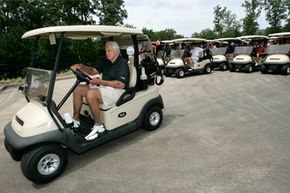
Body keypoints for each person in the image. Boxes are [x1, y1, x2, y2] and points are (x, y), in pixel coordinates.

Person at [71, 41, 129, 140]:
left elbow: (120, 84)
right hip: (105, 88)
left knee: (91, 94)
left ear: (116, 51)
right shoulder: (106, 62)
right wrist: (81, 67)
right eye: (106, 51)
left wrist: (99, 81)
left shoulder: (122, 63)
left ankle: (98, 126)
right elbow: (93, 71)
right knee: (77, 89)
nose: (106, 53)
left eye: (109, 51)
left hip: (117, 90)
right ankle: (76, 119)